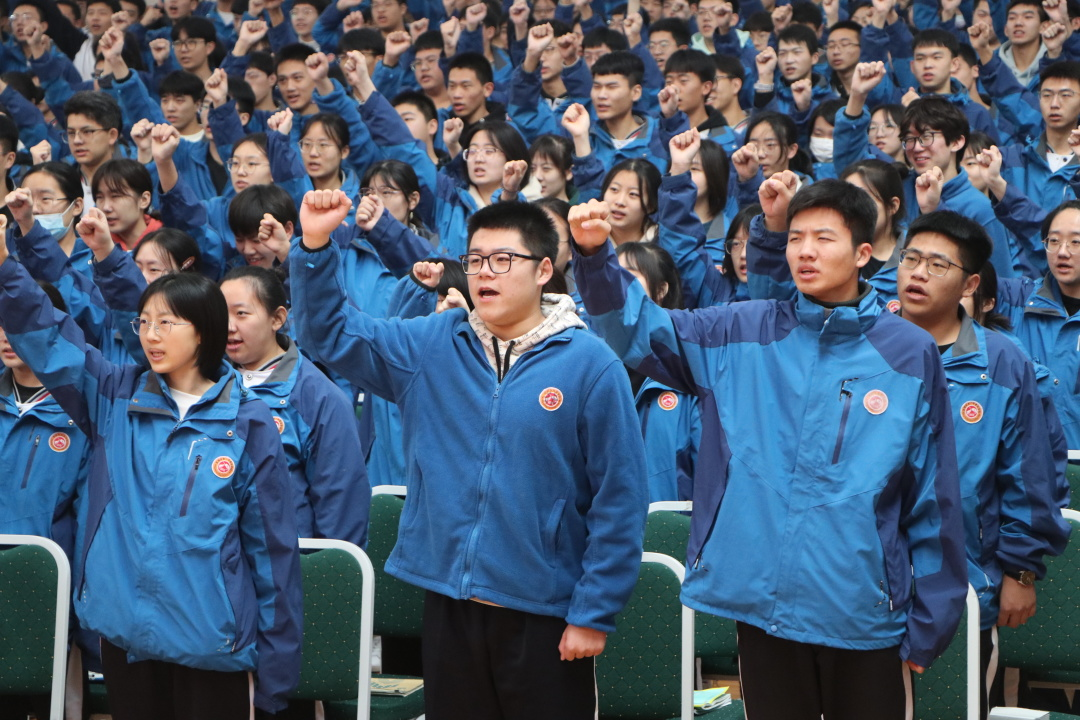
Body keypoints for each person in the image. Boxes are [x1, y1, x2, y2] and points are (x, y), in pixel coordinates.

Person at [569, 176, 967, 719]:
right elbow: (636, 331)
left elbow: (934, 493)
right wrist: (595, 257)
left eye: (824, 238)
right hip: (762, 605)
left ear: (863, 253)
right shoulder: (740, 329)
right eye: (796, 237)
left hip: (863, 609)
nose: (805, 250)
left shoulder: (909, 352)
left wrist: (931, 621)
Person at [288, 189, 647, 720]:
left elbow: (619, 499)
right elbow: (331, 333)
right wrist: (316, 246)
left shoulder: (590, 364)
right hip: (449, 604)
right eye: (475, 260)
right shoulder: (434, 344)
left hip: (545, 612)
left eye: (504, 260)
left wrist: (593, 612)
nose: (486, 273)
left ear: (544, 269)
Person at [0, 206, 302, 720]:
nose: (151, 334)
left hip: (212, 647)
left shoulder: (247, 423)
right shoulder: (113, 395)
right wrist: (6, 265)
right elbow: (47, 335)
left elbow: (273, 555)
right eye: (144, 322)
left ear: (204, 331)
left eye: (167, 322)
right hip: (127, 638)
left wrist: (275, 678)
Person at [893, 209, 1071, 718]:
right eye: (911, 259)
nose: (919, 273)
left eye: (937, 264)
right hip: (868, 577)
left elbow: (1031, 472)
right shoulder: (869, 344)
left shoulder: (1002, 361)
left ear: (971, 282)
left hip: (967, 576)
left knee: (960, 706)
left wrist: (1021, 569)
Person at [220, 265, 370, 547]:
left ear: (277, 318)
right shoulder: (206, 382)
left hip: (283, 567)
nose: (229, 326)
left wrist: (326, 578)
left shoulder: (319, 398)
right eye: (221, 313)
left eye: (241, 313)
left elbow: (340, 508)